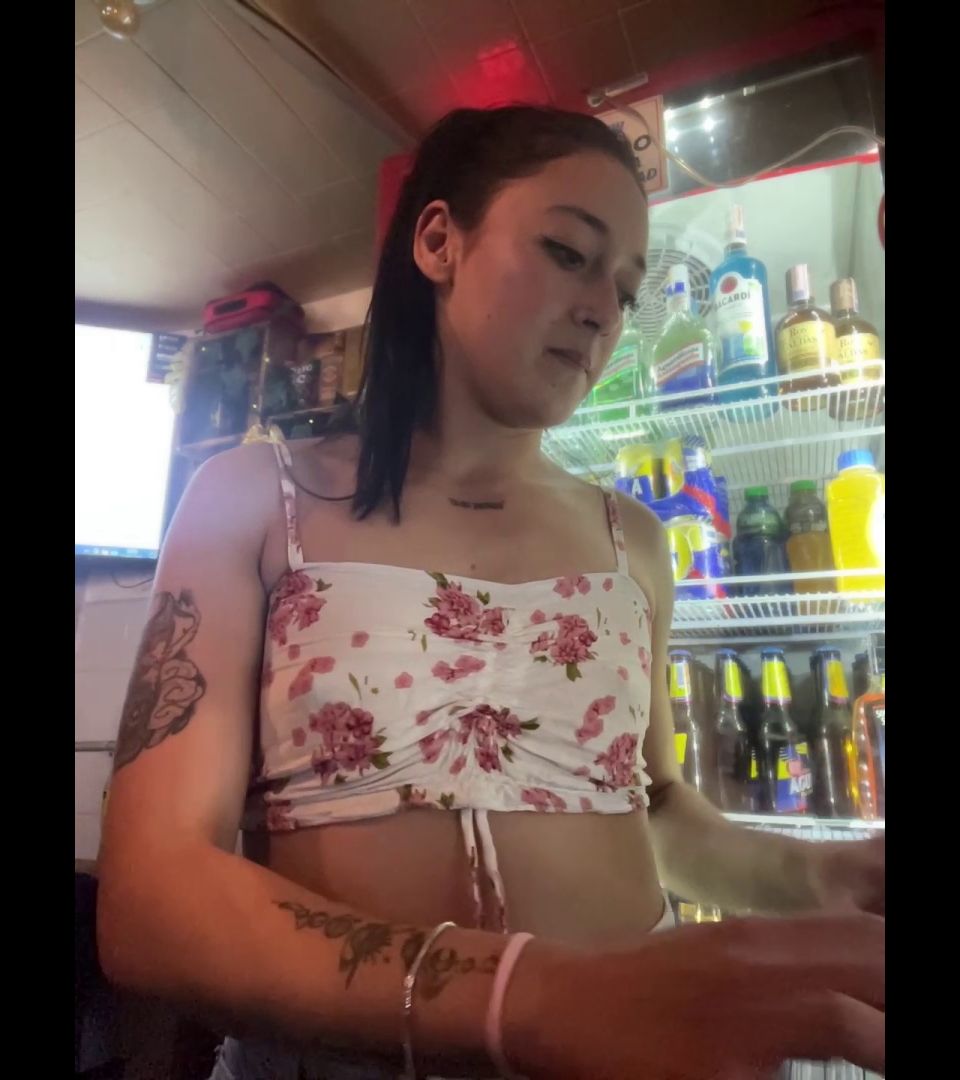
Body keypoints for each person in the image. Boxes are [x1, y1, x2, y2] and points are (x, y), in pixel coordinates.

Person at [97, 106, 884, 1080]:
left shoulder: (634, 542)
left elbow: (655, 806)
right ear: (439, 241)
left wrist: (829, 876)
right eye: (568, 253)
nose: (603, 311)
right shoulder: (253, 499)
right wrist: (533, 995)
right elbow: (152, 898)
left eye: (625, 290)